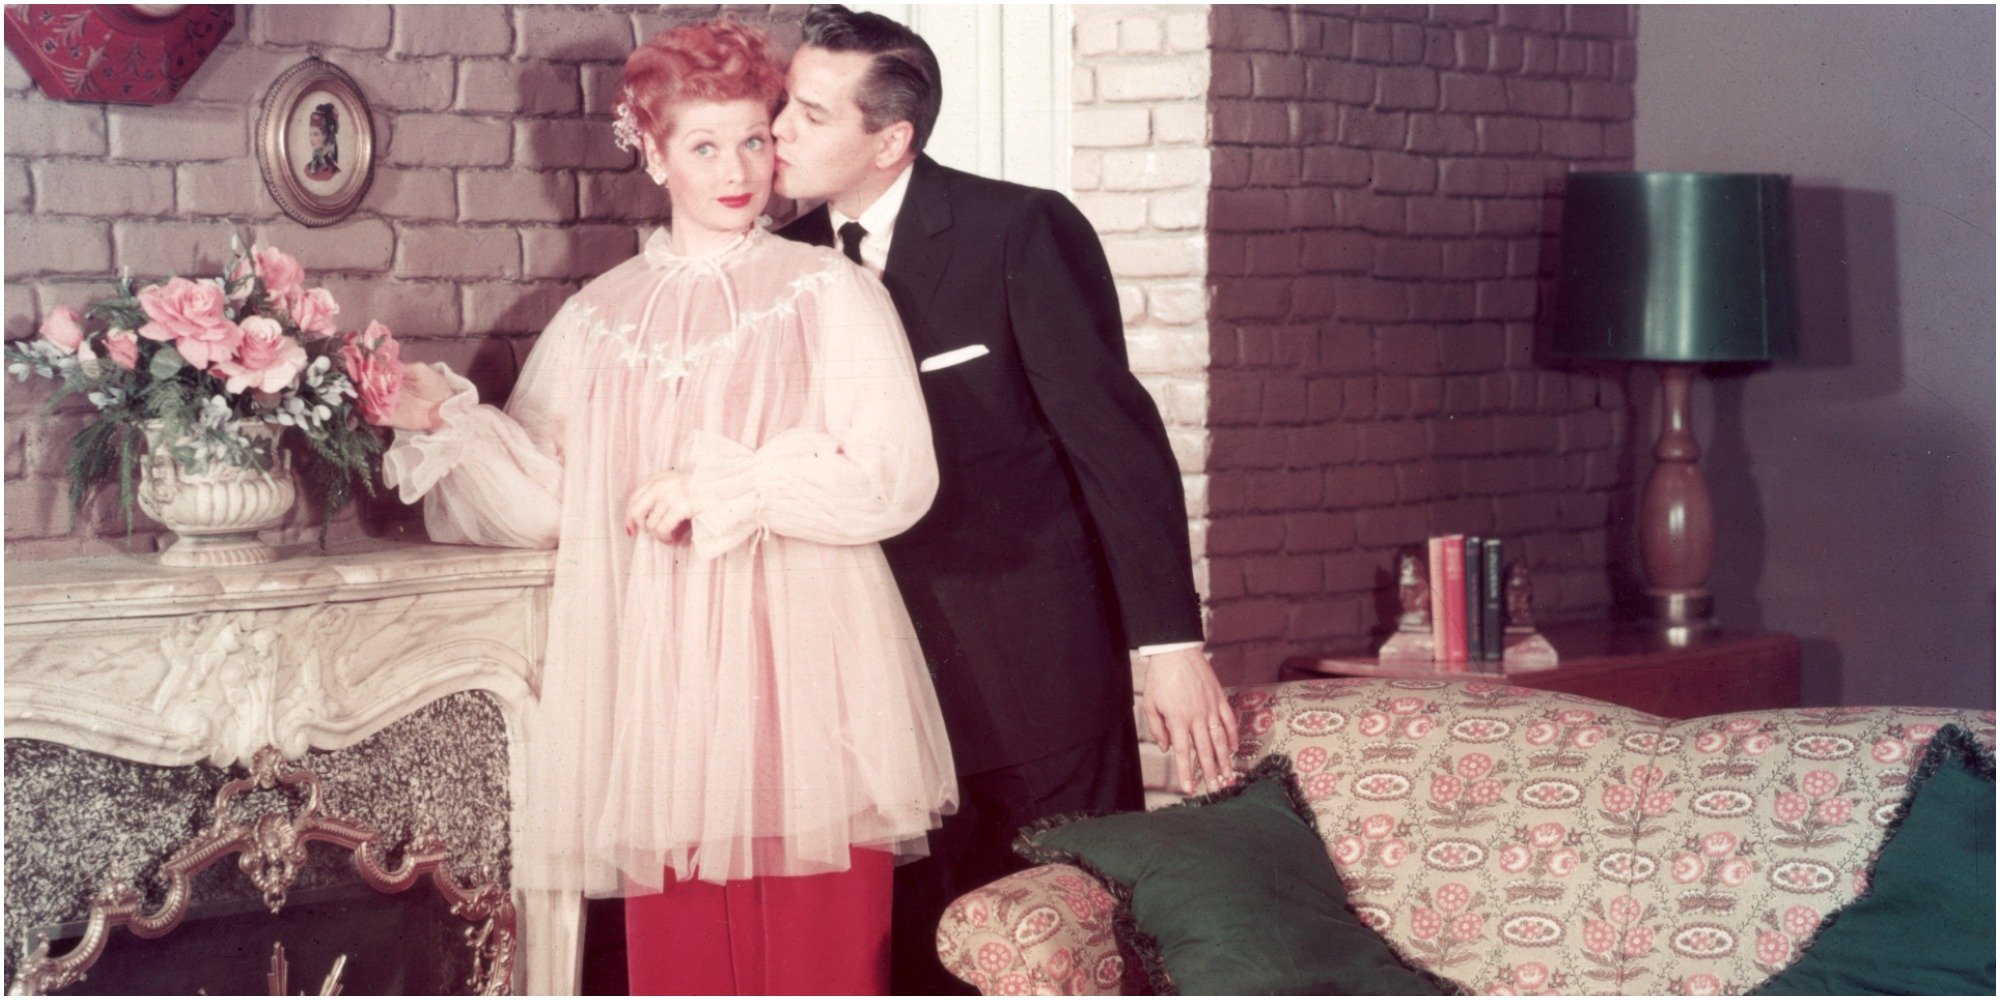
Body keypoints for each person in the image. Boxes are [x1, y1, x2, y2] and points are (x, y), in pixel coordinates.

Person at [368, 20, 955, 996]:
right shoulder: (596, 317)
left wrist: (731, 487)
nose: (739, 171)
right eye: (705, 146)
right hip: (661, 692)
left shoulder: (829, 291)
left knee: (819, 964)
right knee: (684, 969)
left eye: (754, 140)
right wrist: (451, 426)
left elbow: (895, 476)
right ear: (652, 153)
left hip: (807, 683)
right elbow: (554, 503)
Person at [771, 6, 1240, 992]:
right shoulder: (784, 261)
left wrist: (1169, 649)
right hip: (879, 692)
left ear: (889, 139)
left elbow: (1116, 447)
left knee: (1069, 951)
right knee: (916, 963)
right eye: (785, 106)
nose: (778, 132)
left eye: (810, 114)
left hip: (1038, 684)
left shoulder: (1019, 229)